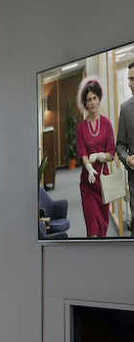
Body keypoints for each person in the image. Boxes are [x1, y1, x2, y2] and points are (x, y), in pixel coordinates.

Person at [77, 78, 117, 237]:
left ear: (99, 99)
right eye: (88, 100)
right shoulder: (81, 127)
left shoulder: (107, 124)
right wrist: (89, 168)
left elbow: (111, 154)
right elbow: (83, 154)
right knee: (92, 228)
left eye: (94, 98)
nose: (92, 102)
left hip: (103, 184)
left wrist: (100, 155)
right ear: (85, 103)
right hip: (88, 183)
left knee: (102, 227)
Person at [117, 62, 134, 231]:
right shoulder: (125, 109)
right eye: (129, 79)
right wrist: (127, 158)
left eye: (133, 79)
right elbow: (120, 145)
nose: (130, 83)